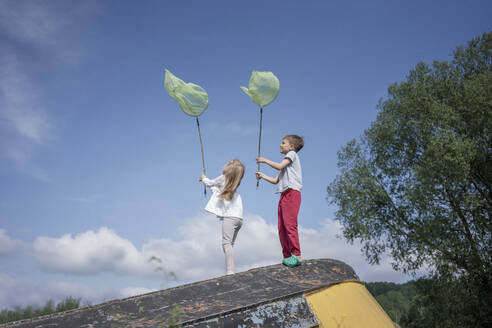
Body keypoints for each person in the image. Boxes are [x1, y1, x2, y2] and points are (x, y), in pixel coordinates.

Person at [256, 135, 304, 268]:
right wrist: (263, 176)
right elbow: (275, 180)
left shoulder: (292, 155)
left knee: (290, 224)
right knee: (281, 227)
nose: (280, 145)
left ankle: (297, 255)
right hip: (284, 195)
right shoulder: (285, 165)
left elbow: (278, 166)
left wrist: (264, 160)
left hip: (292, 193)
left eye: (283, 143)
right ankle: (287, 256)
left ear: (291, 147)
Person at [200, 159, 245, 275]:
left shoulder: (224, 177)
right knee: (230, 244)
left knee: (226, 244)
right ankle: (231, 268)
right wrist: (210, 186)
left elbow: (210, 183)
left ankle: (230, 271)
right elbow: (216, 190)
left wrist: (203, 178)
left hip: (229, 218)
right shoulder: (234, 183)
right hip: (239, 219)